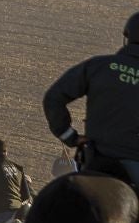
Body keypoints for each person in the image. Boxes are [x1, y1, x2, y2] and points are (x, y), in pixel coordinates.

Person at [44, 12, 139, 184]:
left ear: (127, 37)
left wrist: (69, 137)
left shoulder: (98, 66)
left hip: (94, 159)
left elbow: (53, 98)